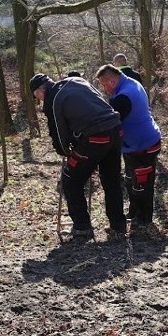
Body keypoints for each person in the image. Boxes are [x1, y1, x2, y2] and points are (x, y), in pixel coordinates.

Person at [30, 72, 126, 241]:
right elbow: (100, 100)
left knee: (70, 179)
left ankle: (82, 228)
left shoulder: (53, 100)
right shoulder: (77, 81)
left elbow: (58, 134)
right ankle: (118, 227)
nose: (39, 100)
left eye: (37, 97)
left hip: (94, 138)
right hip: (116, 129)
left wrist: (66, 152)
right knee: (112, 180)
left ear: (39, 91)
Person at [95, 64, 162, 233]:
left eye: (104, 84)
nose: (104, 88)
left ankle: (143, 219)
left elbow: (111, 122)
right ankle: (134, 213)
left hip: (143, 144)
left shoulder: (124, 96)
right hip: (137, 143)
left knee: (141, 182)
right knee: (132, 180)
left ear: (111, 80)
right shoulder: (130, 82)